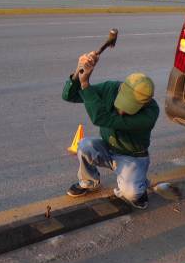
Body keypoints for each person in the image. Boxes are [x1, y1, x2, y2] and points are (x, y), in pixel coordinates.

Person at [62, 51, 159, 209]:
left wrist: (85, 84)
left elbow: (102, 119)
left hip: (132, 157)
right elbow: (70, 96)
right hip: (108, 148)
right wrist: (79, 72)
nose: (122, 111)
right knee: (85, 145)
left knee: (132, 194)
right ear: (121, 89)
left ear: (144, 104)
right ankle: (89, 181)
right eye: (121, 104)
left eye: (129, 108)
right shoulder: (111, 88)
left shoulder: (150, 114)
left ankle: (139, 183)